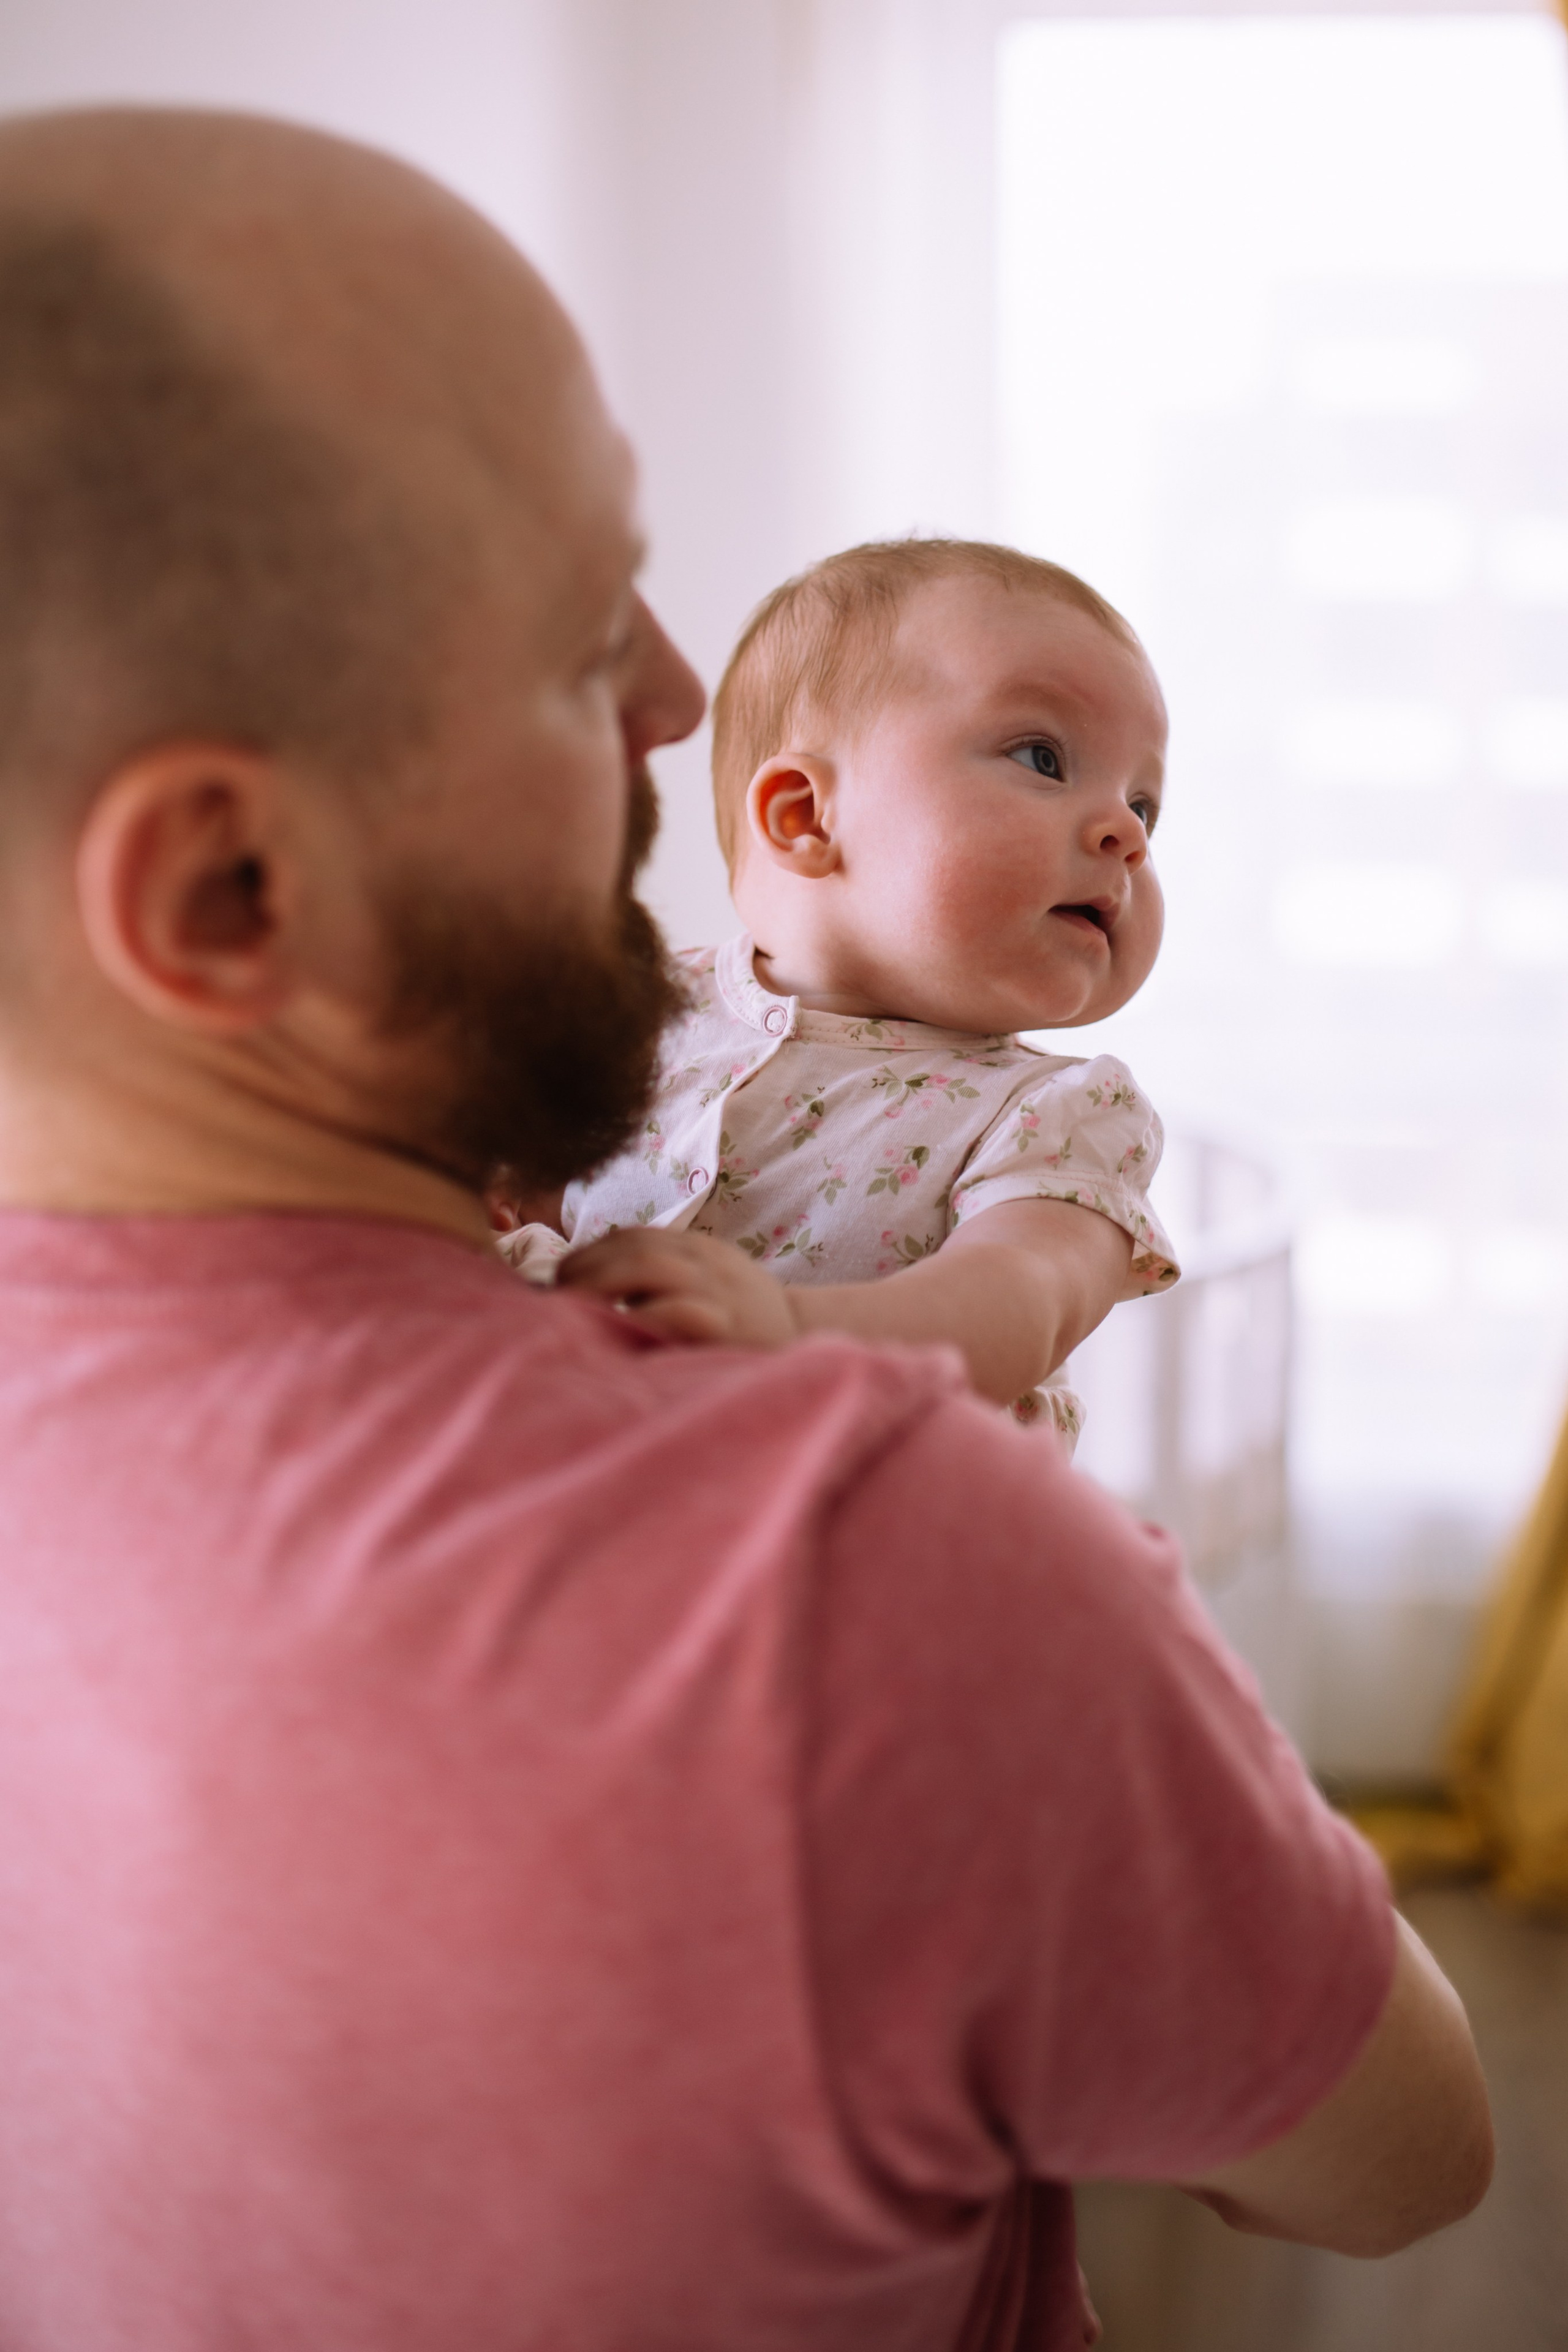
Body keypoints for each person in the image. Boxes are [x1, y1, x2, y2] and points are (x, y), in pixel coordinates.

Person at [0, 104, 1490, 2352]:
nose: (677, 698)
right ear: (231, 891)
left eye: (1144, 805)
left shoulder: (1055, 1128)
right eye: (569, 628)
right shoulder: (878, 1592)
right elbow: (1411, 2158)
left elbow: (1024, 1278)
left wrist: (780, 1314)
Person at [521, 539, 1178, 1444]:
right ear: (806, 818)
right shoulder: (633, 1012)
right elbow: (531, 1195)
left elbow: (1023, 1301)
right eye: (1043, 757)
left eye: (1144, 806)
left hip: (881, 1537)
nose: (1125, 834)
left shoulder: (1061, 1116)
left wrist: (791, 1333)